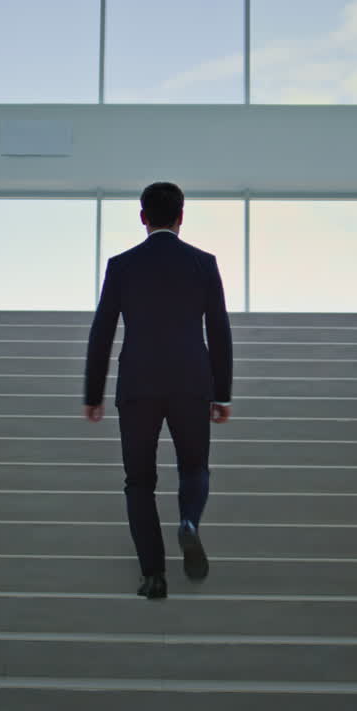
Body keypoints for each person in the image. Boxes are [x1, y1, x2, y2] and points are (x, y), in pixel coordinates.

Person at [83, 181, 234, 601]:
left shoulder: (122, 265)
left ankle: (153, 575)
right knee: (194, 467)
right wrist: (222, 392)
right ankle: (188, 522)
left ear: (143, 217)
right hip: (191, 381)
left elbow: (102, 332)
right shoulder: (203, 263)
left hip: (138, 385)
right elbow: (219, 330)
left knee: (139, 482)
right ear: (181, 216)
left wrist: (93, 393)